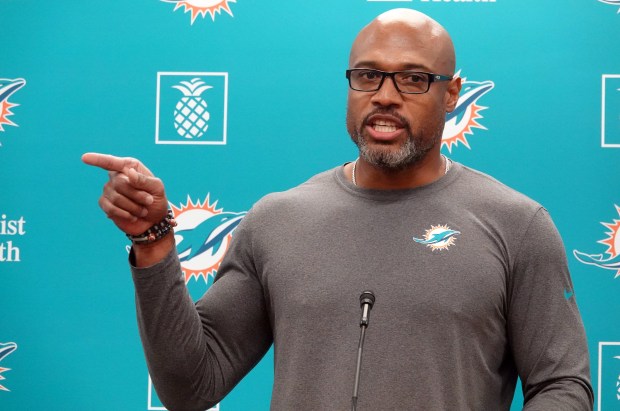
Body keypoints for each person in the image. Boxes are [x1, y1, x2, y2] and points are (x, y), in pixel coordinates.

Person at [82, 8, 594, 410]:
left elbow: (563, 385)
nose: (385, 96)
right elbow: (191, 386)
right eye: (367, 76)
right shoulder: (278, 220)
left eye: (413, 79)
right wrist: (154, 243)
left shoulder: (516, 224)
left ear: (452, 94)